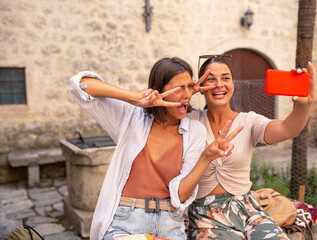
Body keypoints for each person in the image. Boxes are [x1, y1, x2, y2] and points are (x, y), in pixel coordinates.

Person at [69, 57, 242, 240]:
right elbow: (80, 86)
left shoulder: (194, 131)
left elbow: (180, 194)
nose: (187, 96)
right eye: (178, 88)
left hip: (170, 224)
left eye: (188, 87)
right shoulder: (130, 118)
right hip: (124, 223)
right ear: (158, 90)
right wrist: (135, 98)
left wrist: (206, 157)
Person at [186, 55, 316, 240]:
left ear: (233, 83)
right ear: (200, 86)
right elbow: (157, 108)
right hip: (206, 214)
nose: (219, 84)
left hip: (248, 208)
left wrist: (304, 106)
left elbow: (288, 129)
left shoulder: (249, 121)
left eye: (225, 78)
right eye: (210, 79)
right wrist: (187, 91)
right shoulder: (188, 121)